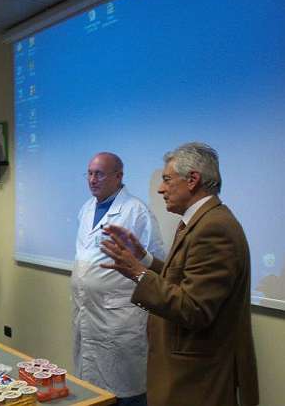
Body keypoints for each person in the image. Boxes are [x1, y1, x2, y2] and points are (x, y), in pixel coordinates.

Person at [101, 143, 259, 406]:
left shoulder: (214, 228)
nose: (161, 189)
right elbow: (184, 280)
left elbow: (193, 308)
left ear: (193, 180)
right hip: (187, 371)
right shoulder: (199, 221)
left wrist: (138, 272)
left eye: (167, 180)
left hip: (196, 379)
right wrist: (144, 259)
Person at [72, 152, 165, 406]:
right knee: (92, 389)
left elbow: (157, 264)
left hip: (120, 318)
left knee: (126, 390)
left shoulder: (137, 212)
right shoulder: (86, 208)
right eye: (90, 173)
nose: (92, 179)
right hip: (88, 313)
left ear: (118, 176)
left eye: (99, 174)